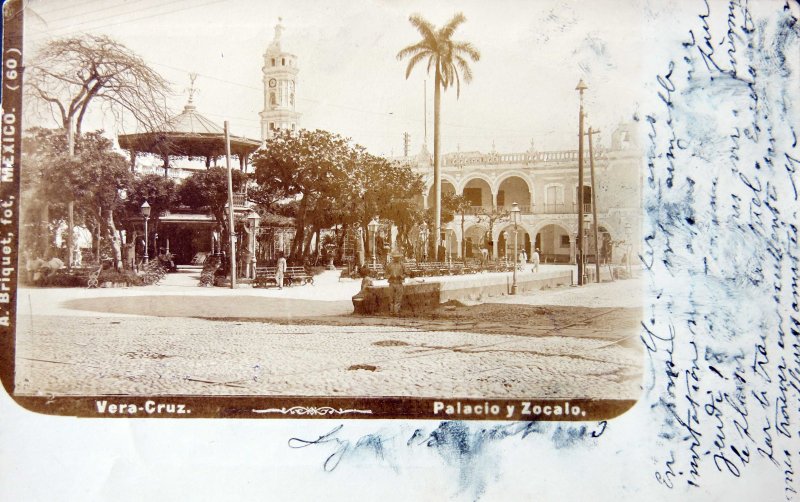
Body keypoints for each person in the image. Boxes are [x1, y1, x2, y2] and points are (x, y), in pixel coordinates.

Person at [385, 251, 409, 316]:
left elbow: (406, 273)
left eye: (397, 257)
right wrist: (390, 276)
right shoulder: (389, 265)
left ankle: (396, 312)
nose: (396, 258)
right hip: (392, 283)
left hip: (399, 282)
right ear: (393, 257)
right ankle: (391, 312)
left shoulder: (402, 265)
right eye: (395, 257)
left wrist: (401, 276)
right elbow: (386, 274)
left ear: (399, 257)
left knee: (398, 298)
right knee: (391, 298)